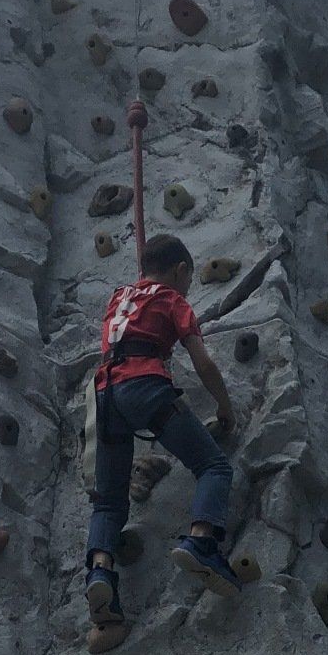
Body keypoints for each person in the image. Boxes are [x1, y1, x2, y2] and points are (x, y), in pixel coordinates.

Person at [85, 234, 239, 628]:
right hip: (145, 389)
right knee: (213, 467)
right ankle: (202, 541)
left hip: (105, 396)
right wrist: (224, 405)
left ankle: (100, 570)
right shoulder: (172, 299)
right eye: (188, 279)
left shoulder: (118, 297)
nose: (188, 287)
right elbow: (202, 362)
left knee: (108, 501)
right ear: (181, 270)